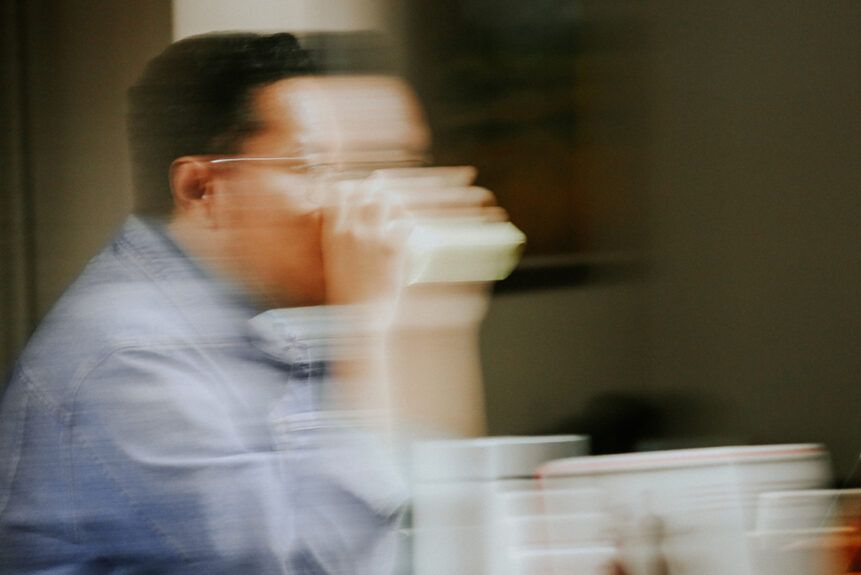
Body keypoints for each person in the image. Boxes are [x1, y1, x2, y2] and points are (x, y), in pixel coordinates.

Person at [0, 31, 503, 573]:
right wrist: (367, 325)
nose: (343, 201)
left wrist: (426, 318)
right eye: (311, 169)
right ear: (201, 189)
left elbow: (403, 512)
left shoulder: (244, 320)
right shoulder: (129, 359)